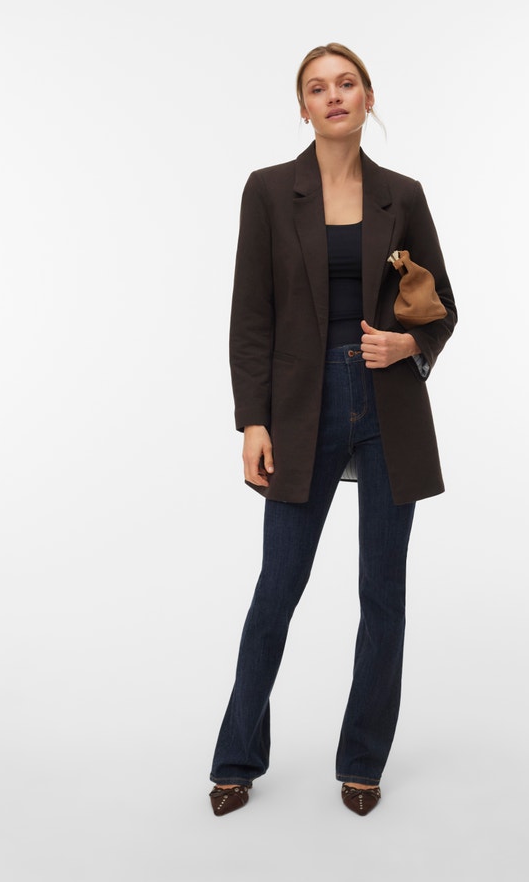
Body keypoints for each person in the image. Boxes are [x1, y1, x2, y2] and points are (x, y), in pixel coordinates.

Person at [209, 42, 457, 817]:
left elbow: (443, 307)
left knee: (383, 594)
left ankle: (362, 761)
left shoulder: (403, 195)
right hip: (299, 405)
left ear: (368, 97)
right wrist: (252, 419)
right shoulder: (267, 190)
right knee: (276, 589)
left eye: (347, 83)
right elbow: (251, 315)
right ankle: (236, 758)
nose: (334, 96)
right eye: (318, 88)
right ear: (304, 107)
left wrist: (407, 345)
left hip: (388, 405)